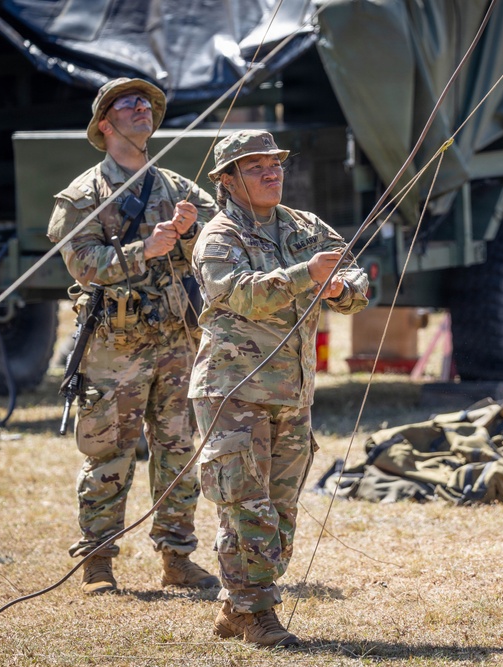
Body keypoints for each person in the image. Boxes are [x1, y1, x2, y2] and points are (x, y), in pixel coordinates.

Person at [188, 129, 369, 646]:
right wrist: (307, 276)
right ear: (226, 180)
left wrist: (341, 287)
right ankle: (255, 613)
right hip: (232, 391)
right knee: (246, 504)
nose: (271, 173)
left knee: (281, 507)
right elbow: (240, 295)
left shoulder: (304, 226)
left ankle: (236, 606)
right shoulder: (219, 236)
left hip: (293, 392)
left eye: (275, 163)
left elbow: (353, 274)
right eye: (255, 166)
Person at [46, 77, 220, 595]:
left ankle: (177, 557)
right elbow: (83, 265)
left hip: (176, 342)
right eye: (129, 103)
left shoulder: (179, 188)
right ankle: (98, 562)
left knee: (179, 450)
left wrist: (191, 231)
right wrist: (143, 250)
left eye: (147, 102)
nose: (142, 108)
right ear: (105, 123)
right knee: (108, 455)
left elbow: (218, 251)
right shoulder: (84, 194)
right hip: (113, 348)